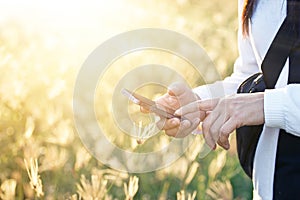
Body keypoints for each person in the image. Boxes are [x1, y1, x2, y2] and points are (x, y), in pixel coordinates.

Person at [142, 0, 300, 199]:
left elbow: (261, 99)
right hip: (269, 184)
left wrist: (266, 106)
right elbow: (257, 76)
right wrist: (199, 102)